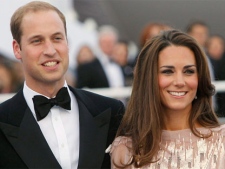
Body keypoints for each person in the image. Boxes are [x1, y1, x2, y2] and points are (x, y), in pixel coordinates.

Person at [0, 1, 124, 169]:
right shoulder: (3, 120)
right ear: (17, 49)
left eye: (57, 38)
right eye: (37, 41)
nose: (50, 50)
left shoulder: (111, 111)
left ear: (67, 43)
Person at [107, 30, 225, 169]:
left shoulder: (222, 141)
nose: (180, 82)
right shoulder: (126, 150)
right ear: (148, 79)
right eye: (167, 71)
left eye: (189, 71)